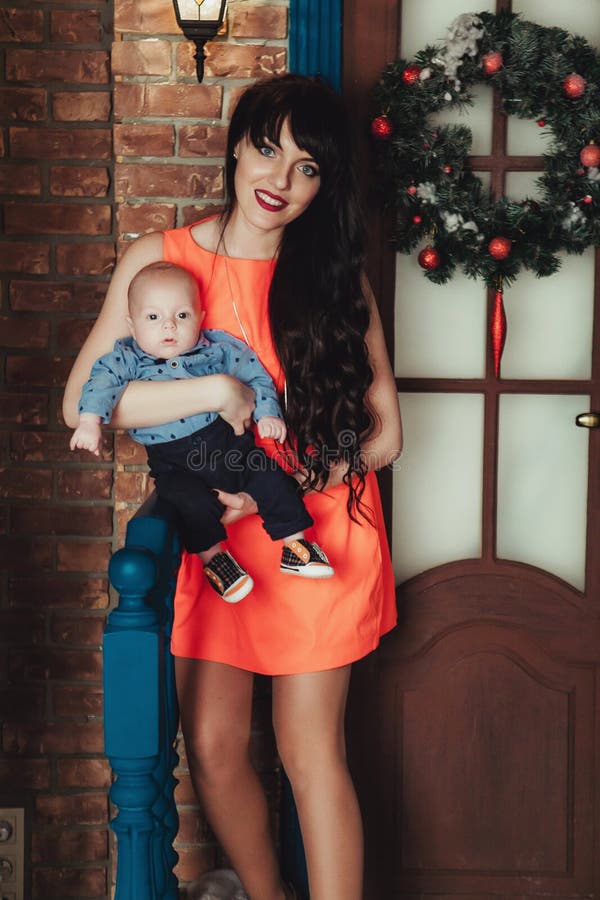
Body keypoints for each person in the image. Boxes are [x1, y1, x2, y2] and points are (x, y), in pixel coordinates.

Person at [64, 73, 402, 900]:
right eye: (267, 148)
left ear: (326, 186)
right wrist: (218, 393)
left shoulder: (333, 280)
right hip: (219, 542)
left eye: (308, 167)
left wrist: (304, 476)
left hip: (314, 535)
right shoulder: (161, 260)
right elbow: (86, 401)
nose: (280, 180)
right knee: (213, 750)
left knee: (308, 749)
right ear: (236, 145)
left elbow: (387, 434)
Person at [69, 260, 334, 603]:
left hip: (230, 447)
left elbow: (256, 377)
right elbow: (99, 385)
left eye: (182, 315)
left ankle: (296, 545)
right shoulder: (127, 359)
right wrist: (90, 421)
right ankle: (216, 561)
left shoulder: (217, 349)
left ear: (200, 316)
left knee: (270, 477)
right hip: (175, 463)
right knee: (187, 502)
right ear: (132, 327)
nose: (169, 325)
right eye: (153, 318)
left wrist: (269, 413)